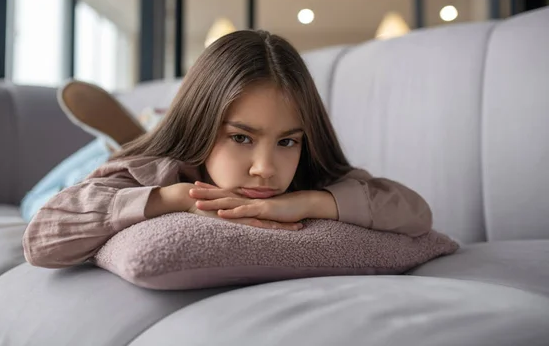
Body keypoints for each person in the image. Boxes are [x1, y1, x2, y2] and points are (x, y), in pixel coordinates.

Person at [23, 30, 433, 269]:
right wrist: (172, 197)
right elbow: (42, 236)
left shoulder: (307, 174)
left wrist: (310, 203)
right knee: (35, 200)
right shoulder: (159, 172)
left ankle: (150, 124)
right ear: (203, 126)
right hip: (146, 159)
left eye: (287, 140)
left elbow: (415, 212)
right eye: (241, 137)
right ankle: (128, 137)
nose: (265, 169)